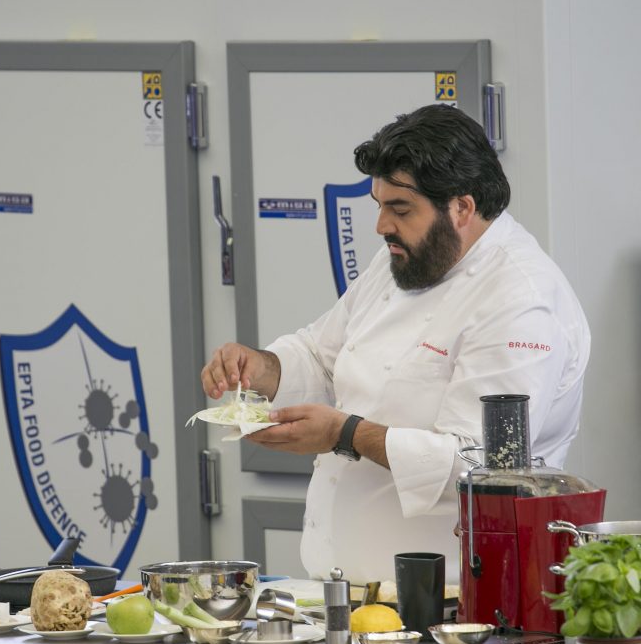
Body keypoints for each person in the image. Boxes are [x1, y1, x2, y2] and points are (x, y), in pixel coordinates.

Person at [201, 104, 589, 584]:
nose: (381, 225)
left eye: (400, 209)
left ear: (462, 208)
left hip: (457, 595)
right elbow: (322, 357)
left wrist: (345, 434)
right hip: (347, 587)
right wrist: (262, 367)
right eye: (379, 205)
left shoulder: (521, 300)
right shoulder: (406, 258)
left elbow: (482, 465)